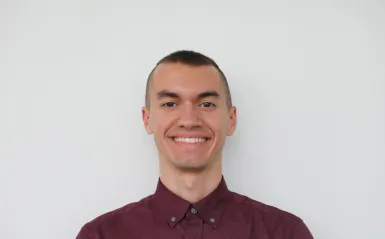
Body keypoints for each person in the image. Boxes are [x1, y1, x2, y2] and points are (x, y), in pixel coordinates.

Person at [75, 50, 314, 239]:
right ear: (147, 119)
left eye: (207, 104)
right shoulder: (101, 235)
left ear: (231, 120)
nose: (189, 121)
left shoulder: (285, 233)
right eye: (170, 104)